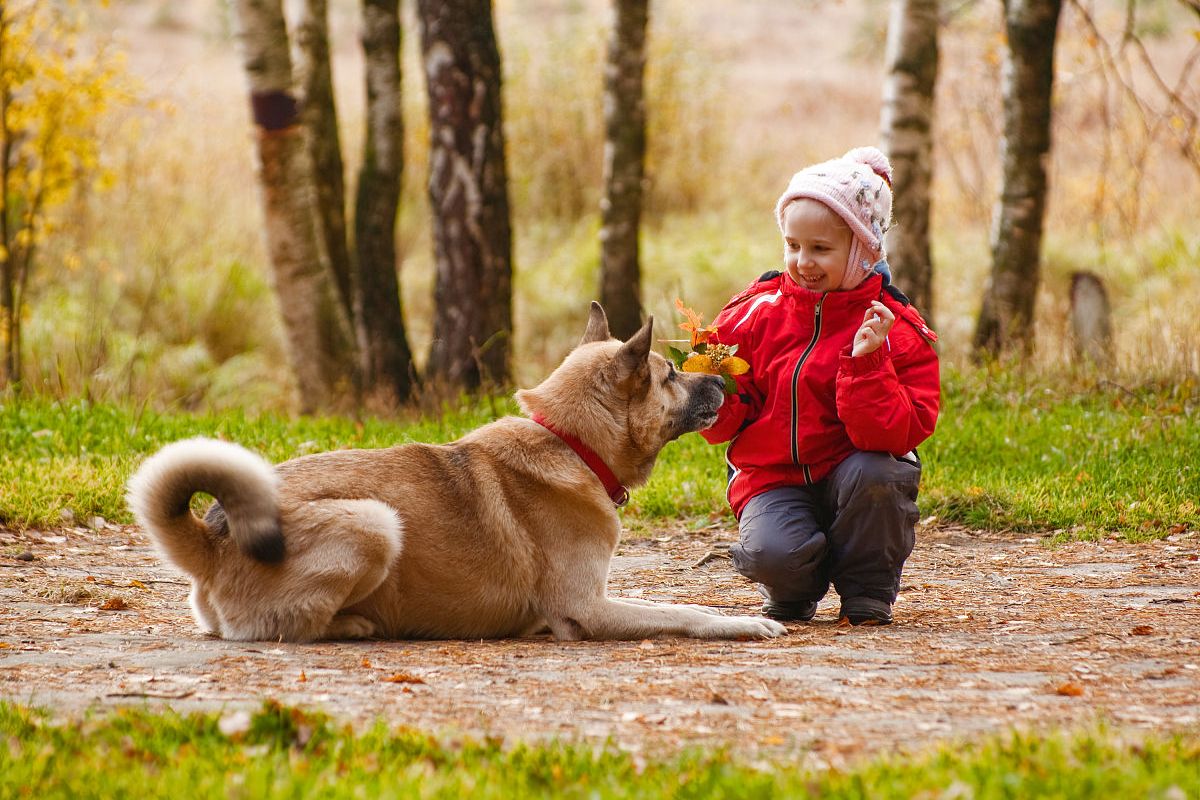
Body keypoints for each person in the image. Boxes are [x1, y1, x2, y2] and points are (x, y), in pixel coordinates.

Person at [700, 146, 940, 626]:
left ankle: (867, 588)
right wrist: (713, 383)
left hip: (853, 472)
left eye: (821, 249)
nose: (803, 261)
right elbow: (720, 428)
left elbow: (895, 436)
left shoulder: (894, 328)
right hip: (773, 476)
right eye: (793, 246)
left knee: (880, 475)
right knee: (774, 555)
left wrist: (869, 362)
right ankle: (794, 583)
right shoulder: (752, 314)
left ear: (862, 249)